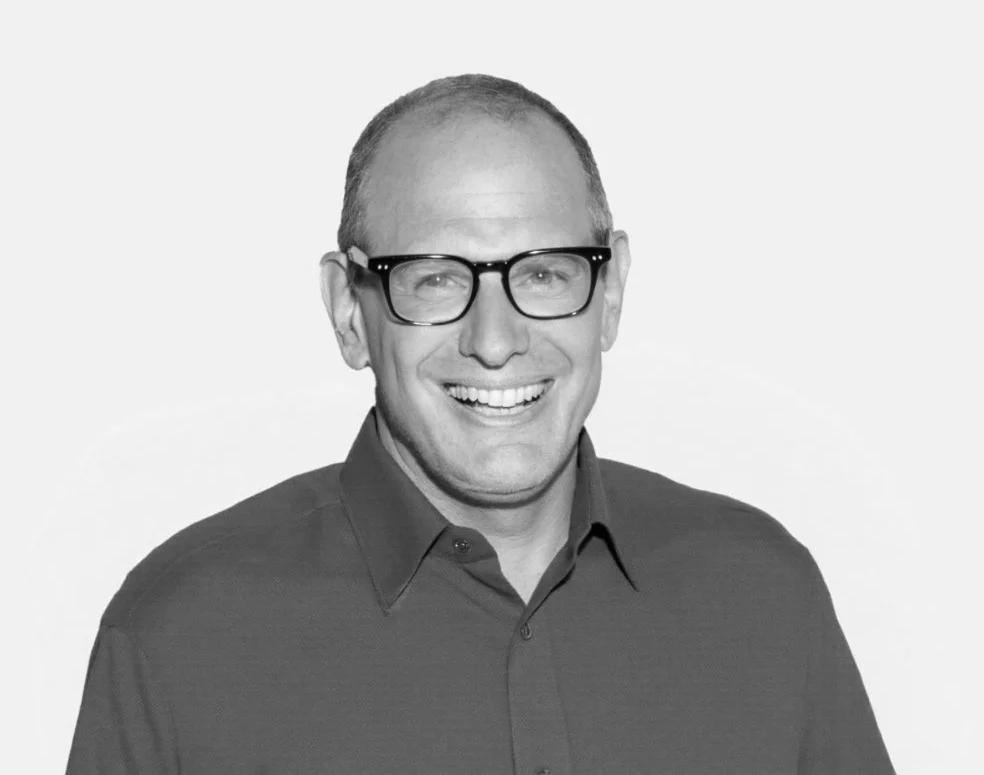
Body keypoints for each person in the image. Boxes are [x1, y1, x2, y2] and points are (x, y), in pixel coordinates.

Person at [67, 74, 894, 774]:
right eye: (433, 280)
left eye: (543, 272)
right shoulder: (180, 635)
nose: (496, 341)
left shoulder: (762, 594)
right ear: (348, 313)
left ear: (609, 295)